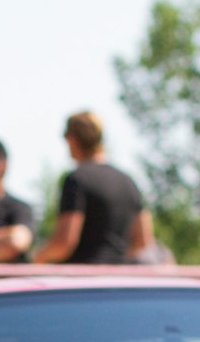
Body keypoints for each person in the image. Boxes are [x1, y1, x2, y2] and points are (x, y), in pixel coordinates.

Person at [35, 111, 153, 265]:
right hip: (120, 280)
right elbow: (143, 240)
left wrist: (38, 257)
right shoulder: (128, 181)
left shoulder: (76, 179)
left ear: (72, 139)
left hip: (83, 281)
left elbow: (64, 243)